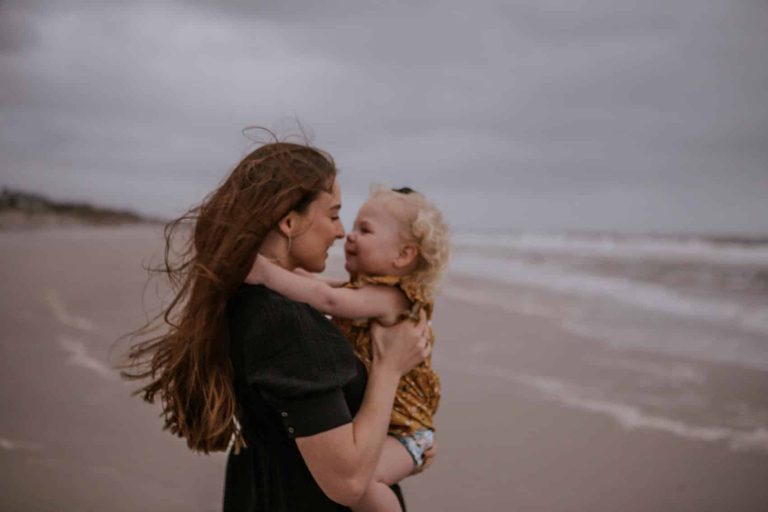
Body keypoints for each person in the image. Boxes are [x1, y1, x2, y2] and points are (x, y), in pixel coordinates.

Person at [122, 140, 434, 511]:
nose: (340, 232)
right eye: (333, 215)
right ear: (289, 222)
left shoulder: (248, 299)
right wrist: (390, 367)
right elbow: (348, 482)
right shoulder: (286, 323)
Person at [246, 185, 450, 512]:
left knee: (365, 483)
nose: (349, 236)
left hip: (406, 434)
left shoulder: (393, 297)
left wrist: (266, 273)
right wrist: (290, 272)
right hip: (390, 428)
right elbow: (325, 288)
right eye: (351, 224)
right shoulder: (365, 290)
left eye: (364, 230)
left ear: (404, 254)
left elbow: (330, 300)